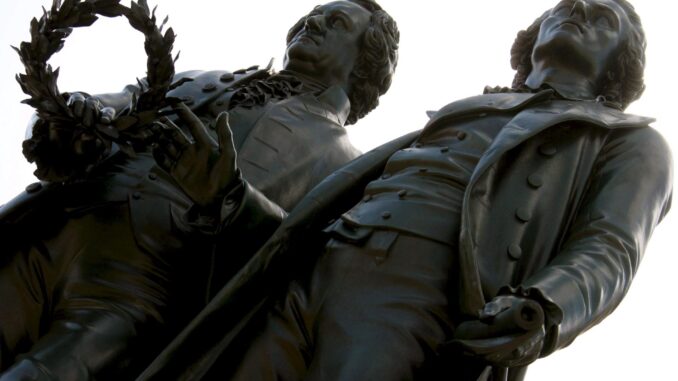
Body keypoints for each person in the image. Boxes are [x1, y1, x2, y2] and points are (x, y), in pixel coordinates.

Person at [137, 1, 672, 380]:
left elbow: (611, 247)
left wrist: (546, 307)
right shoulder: (467, 110)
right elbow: (313, 212)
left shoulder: (631, 142)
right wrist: (230, 196)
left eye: (603, 18)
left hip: (419, 297)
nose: (577, 11)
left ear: (619, 65)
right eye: (568, 5)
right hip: (315, 268)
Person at [0, 1, 399, 380]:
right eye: (313, 15)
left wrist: (229, 197)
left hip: (133, 293)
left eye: (337, 23)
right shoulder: (198, 78)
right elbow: (103, 105)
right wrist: (70, 117)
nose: (311, 23)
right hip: (48, 224)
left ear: (366, 63)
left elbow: (310, 265)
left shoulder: (346, 165)